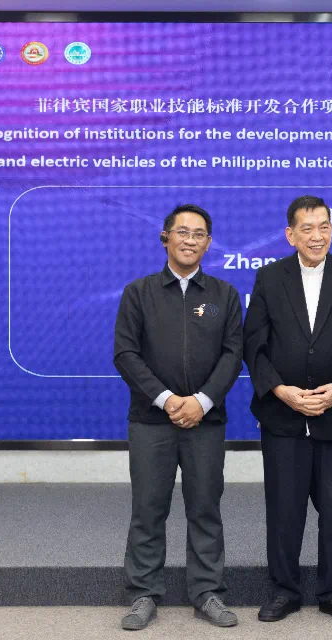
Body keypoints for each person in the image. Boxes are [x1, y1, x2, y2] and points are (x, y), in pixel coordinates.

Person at [243, 195, 332, 623]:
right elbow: (254, 345)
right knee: (284, 510)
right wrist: (280, 390)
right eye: (307, 228)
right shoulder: (269, 277)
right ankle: (284, 590)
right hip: (282, 416)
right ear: (291, 234)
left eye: (324, 227)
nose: (317, 236)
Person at [113, 203, 244, 630]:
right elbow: (126, 354)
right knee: (148, 509)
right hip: (151, 421)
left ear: (208, 243)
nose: (190, 240)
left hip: (206, 422)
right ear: (166, 237)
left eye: (199, 234)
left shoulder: (224, 295)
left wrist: (201, 401)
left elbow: (233, 355)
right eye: (183, 232)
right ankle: (143, 593)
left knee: (205, 508)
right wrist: (168, 400)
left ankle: (207, 591)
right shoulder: (139, 292)